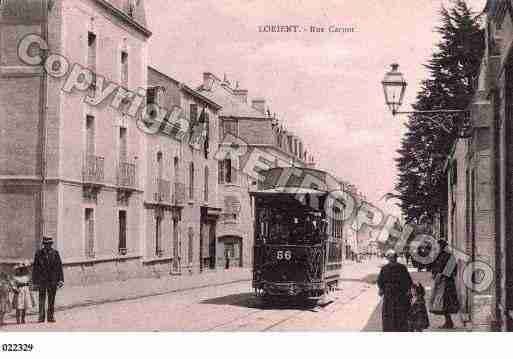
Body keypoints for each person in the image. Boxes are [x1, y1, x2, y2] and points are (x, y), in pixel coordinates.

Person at [377, 249, 413, 332]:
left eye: (392, 258)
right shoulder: (401, 267)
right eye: (391, 258)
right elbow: (408, 281)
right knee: (399, 312)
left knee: (390, 312)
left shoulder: (386, 268)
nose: (392, 259)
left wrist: (381, 289)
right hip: (398, 294)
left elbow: (380, 281)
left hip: (392, 293)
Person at [32, 236, 64, 323]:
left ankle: (50, 316)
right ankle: (41, 317)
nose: (47, 246)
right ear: (43, 245)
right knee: (41, 299)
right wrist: (34, 281)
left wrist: (61, 280)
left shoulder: (55, 253)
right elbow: (35, 268)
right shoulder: (38, 254)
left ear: (51, 244)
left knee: (51, 299)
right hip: (42, 280)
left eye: (49, 244)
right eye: (46, 244)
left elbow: (59, 267)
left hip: (53, 280)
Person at [429, 239, 459, 329]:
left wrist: (441, 275)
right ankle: (448, 321)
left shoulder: (447, 256)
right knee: (444, 303)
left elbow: (452, 270)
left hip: (446, 283)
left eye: (438, 246)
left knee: (445, 302)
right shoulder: (442, 256)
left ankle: (449, 322)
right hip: (444, 282)